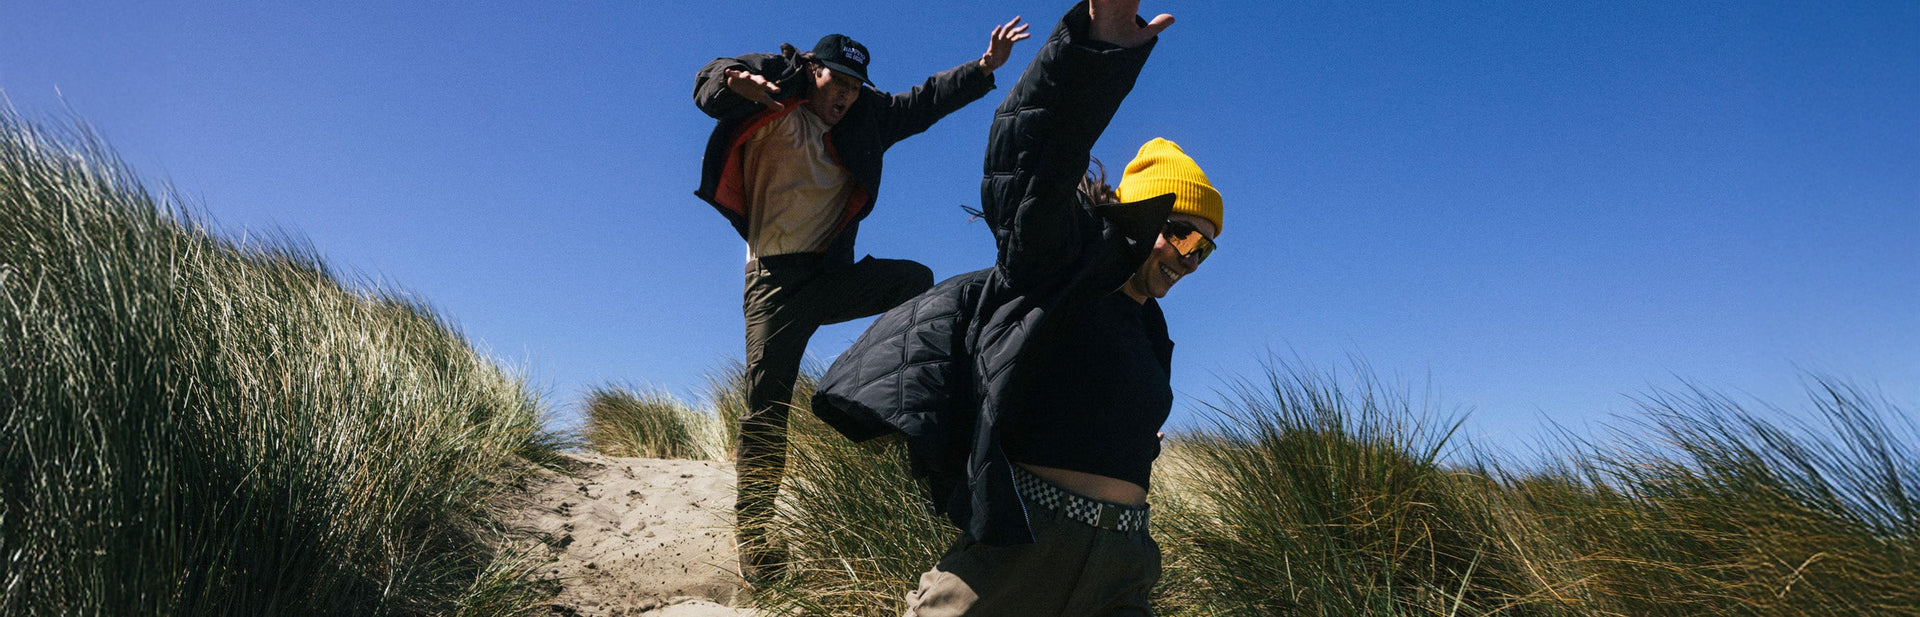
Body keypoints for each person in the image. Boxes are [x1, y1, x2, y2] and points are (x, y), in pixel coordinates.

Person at [811, 1, 1213, 613]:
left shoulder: (1150, 330)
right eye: (1183, 235)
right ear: (1143, 217)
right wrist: (1093, 53)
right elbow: (1031, 160)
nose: (1188, 259)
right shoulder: (1059, 266)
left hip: (1124, 563)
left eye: (1204, 250)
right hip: (1021, 549)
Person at [691, 18, 1032, 583]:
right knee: (766, 407)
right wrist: (733, 82)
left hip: (829, 274)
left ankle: (869, 390)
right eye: (838, 81)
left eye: (856, 84)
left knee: (914, 282)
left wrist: (983, 69)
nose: (846, 94)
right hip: (773, 284)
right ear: (813, 71)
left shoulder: (868, 116)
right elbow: (706, 80)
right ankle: (754, 540)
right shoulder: (771, 84)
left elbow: (922, 102)